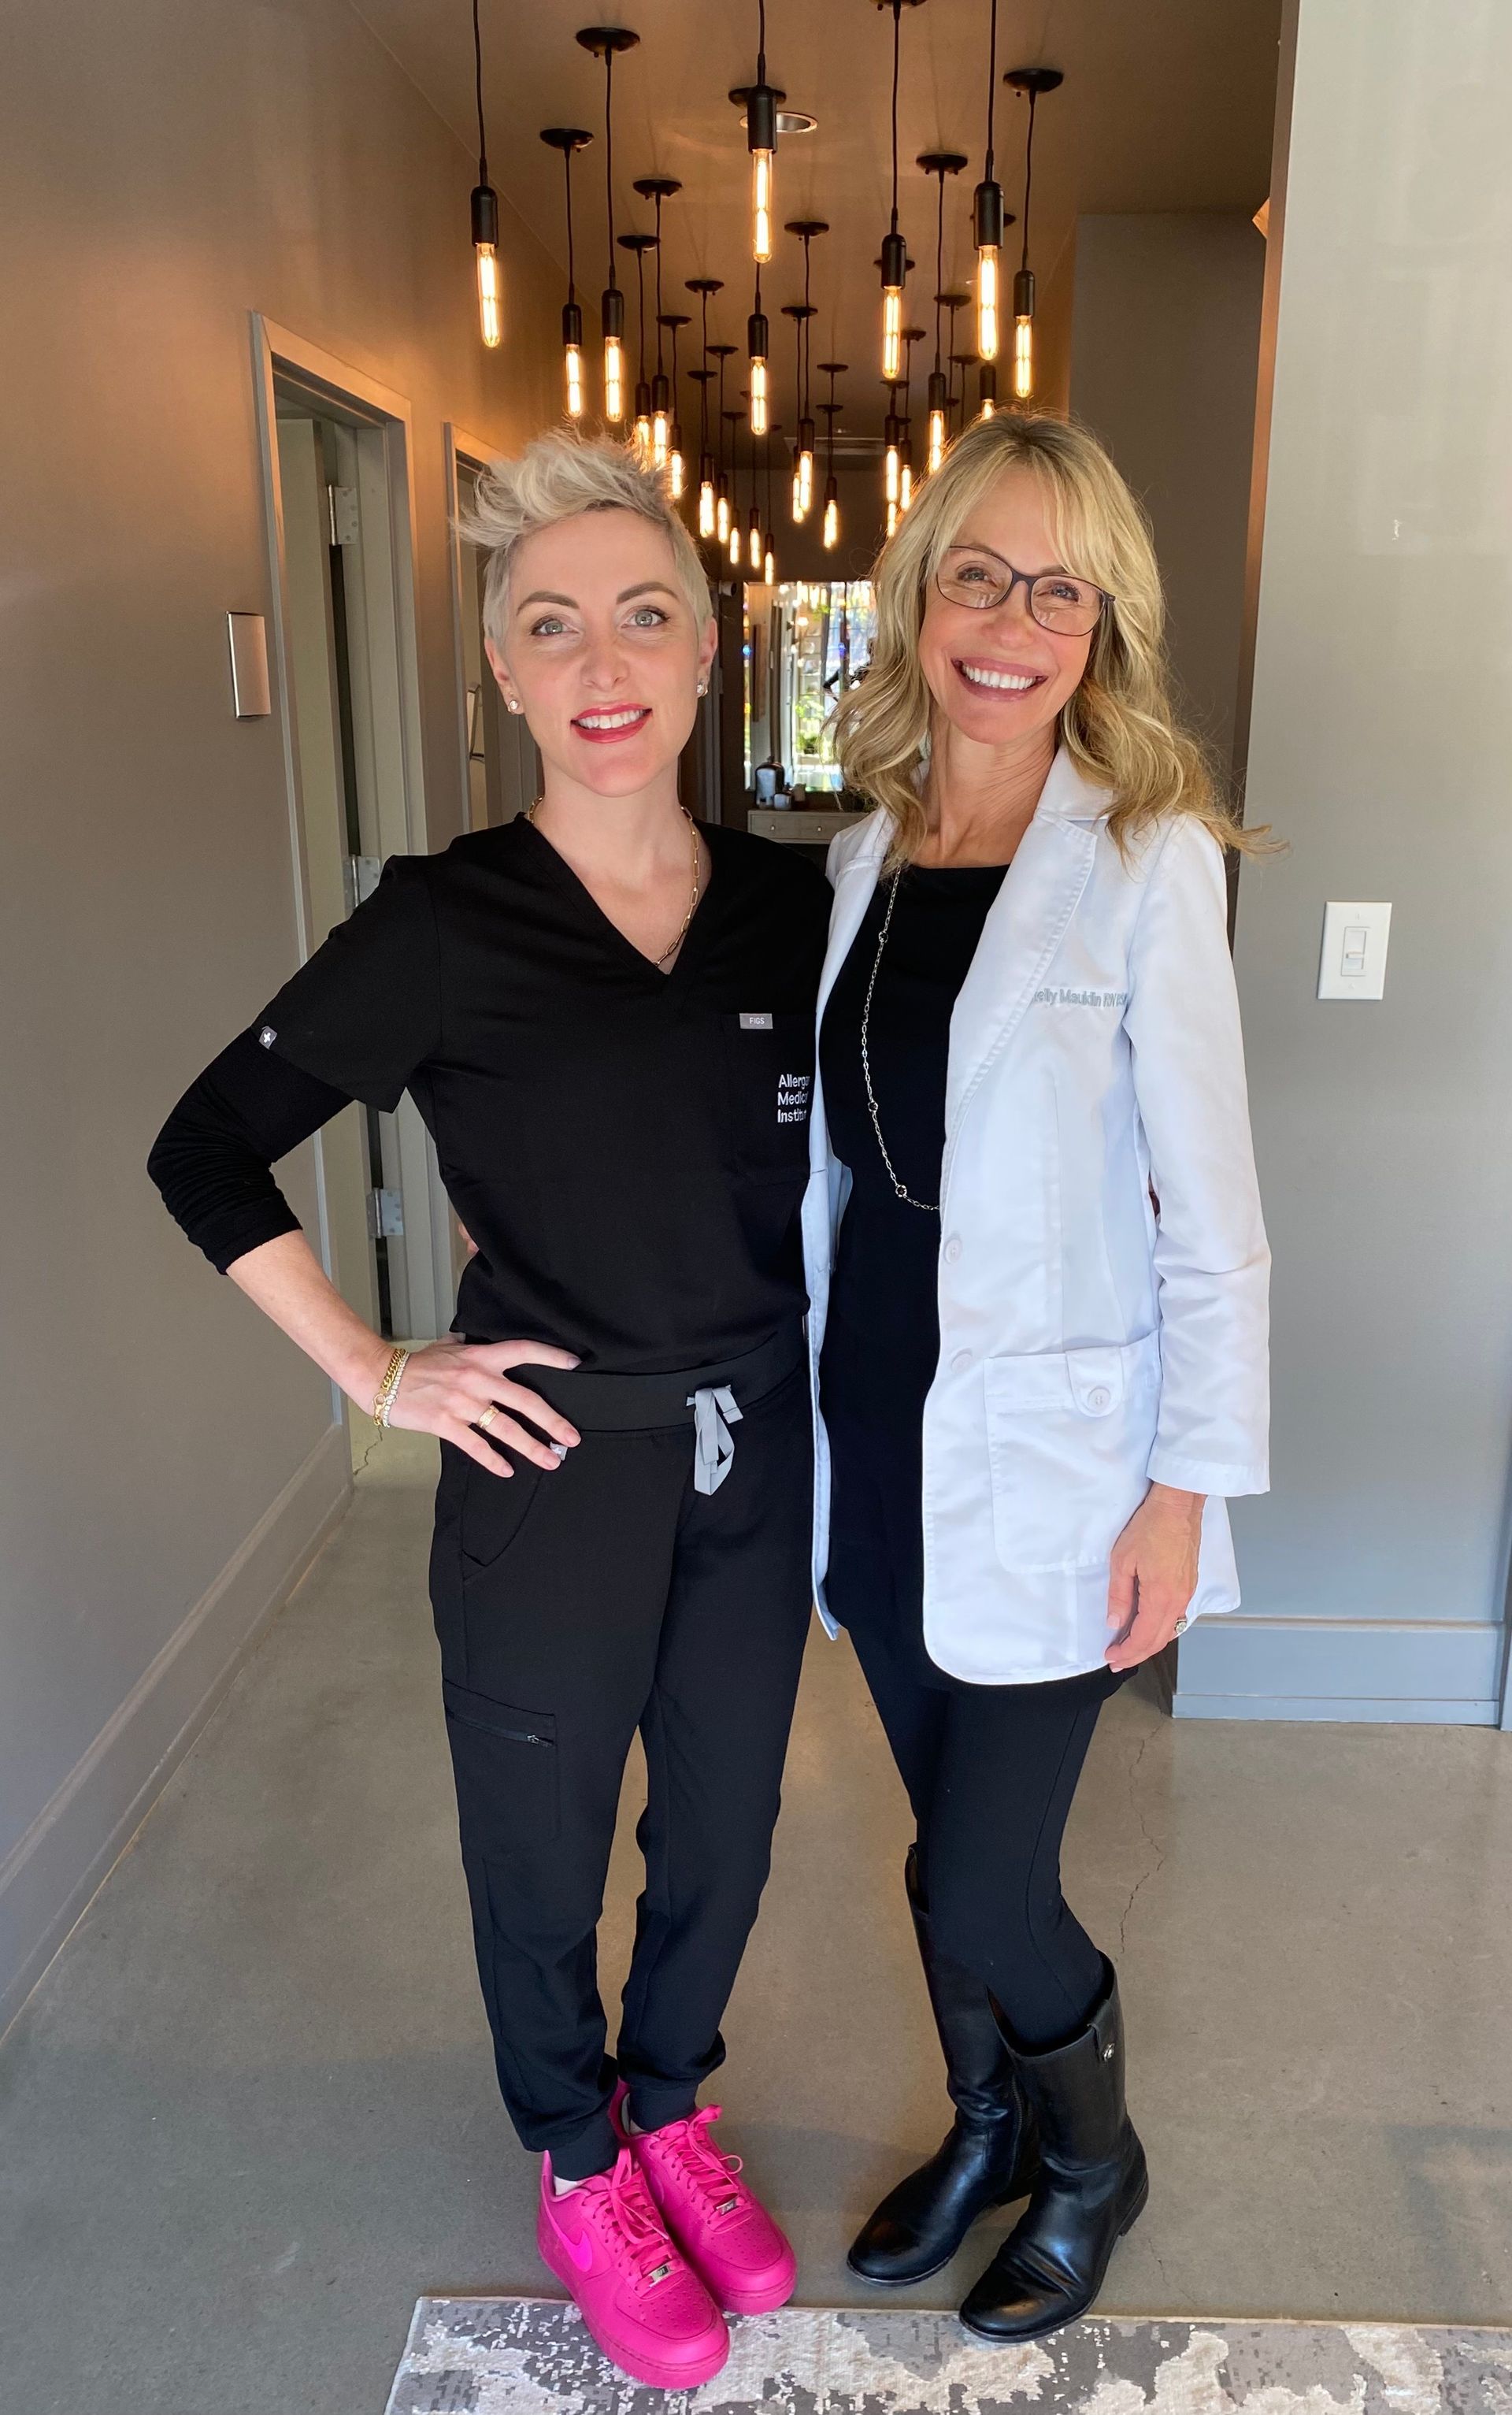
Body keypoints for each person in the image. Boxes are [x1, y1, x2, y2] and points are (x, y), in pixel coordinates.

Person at [149, 432, 831, 2391]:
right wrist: (378, 1367)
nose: (600, 660)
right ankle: (573, 2152)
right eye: (551, 628)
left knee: (722, 1825)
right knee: (541, 1843)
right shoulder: (441, 922)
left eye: (640, 615)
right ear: (509, 680)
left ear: (708, 652)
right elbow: (206, 1151)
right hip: (551, 1468)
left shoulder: (797, 912)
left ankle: (672, 2107)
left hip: (754, 1449)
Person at [802, 412, 1270, 2341]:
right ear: (918, 601)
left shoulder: (1145, 862)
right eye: (976, 575)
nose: (1010, 620)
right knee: (936, 1848)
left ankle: (1096, 2163)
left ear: (1103, 629)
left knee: (996, 1883)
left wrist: (1185, 1483)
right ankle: (989, 2124)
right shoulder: (856, 860)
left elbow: (1215, 1210)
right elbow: (831, 1162)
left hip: (1067, 1460)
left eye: (1056, 587)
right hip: (878, 1434)